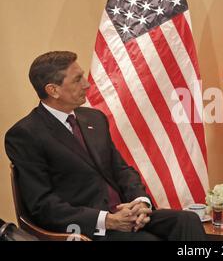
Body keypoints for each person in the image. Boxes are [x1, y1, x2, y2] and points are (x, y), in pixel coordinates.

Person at [5, 51, 206, 241]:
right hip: (87, 228)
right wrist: (107, 220)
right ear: (53, 90)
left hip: (124, 215)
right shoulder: (26, 135)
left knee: (187, 221)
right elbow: (43, 206)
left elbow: (121, 170)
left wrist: (139, 202)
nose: (87, 84)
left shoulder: (94, 118)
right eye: (77, 79)